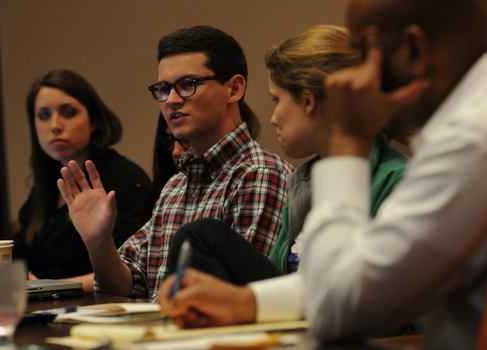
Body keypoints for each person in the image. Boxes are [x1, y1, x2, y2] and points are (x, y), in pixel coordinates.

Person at [159, 1, 487, 349]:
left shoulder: (469, 138)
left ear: (414, 50)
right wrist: (245, 302)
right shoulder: (466, 127)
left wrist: (346, 141)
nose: (360, 78)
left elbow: (340, 302)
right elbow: (344, 283)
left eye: (364, 53)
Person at [57, 26, 294, 300]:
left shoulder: (259, 175)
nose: (171, 100)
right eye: (163, 88)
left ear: (234, 88)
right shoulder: (175, 184)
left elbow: (240, 300)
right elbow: (129, 289)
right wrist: (98, 243)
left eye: (187, 85)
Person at [166, 25, 410, 289]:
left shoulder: (398, 181)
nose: (272, 119)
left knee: (201, 236)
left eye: (276, 100)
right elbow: (280, 278)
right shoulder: (302, 181)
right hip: (299, 318)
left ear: (308, 102)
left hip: (353, 324)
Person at [13, 69, 151, 292]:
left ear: (94, 120)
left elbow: (132, 270)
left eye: (67, 112)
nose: (54, 125)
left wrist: (47, 287)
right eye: (44, 115)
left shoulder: (125, 180)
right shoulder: (48, 182)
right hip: (46, 304)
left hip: (101, 306)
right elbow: (19, 255)